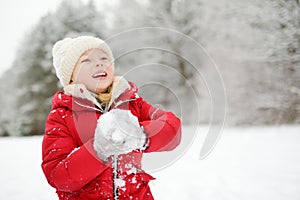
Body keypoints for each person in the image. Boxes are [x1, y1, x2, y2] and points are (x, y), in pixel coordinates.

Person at [41, 35, 182, 200]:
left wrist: (140, 136)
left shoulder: (131, 102)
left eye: (104, 58)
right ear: (71, 76)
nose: (99, 63)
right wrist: (99, 150)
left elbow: (173, 128)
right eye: (86, 61)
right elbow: (58, 176)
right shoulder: (62, 115)